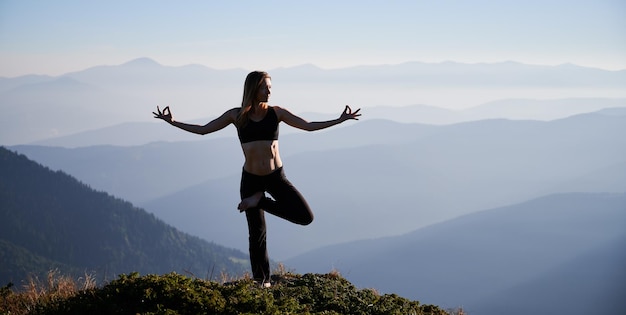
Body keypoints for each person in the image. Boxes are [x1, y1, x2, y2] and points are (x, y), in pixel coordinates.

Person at [153, 71, 361, 286]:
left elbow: (308, 126)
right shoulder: (236, 116)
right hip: (251, 179)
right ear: (253, 89)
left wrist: (340, 119)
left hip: (276, 178)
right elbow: (204, 130)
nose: (269, 91)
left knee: (305, 216)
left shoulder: (276, 113)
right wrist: (173, 122)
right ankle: (262, 282)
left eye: (270, 87)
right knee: (257, 234)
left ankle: (259, 200)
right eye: (265, 88)